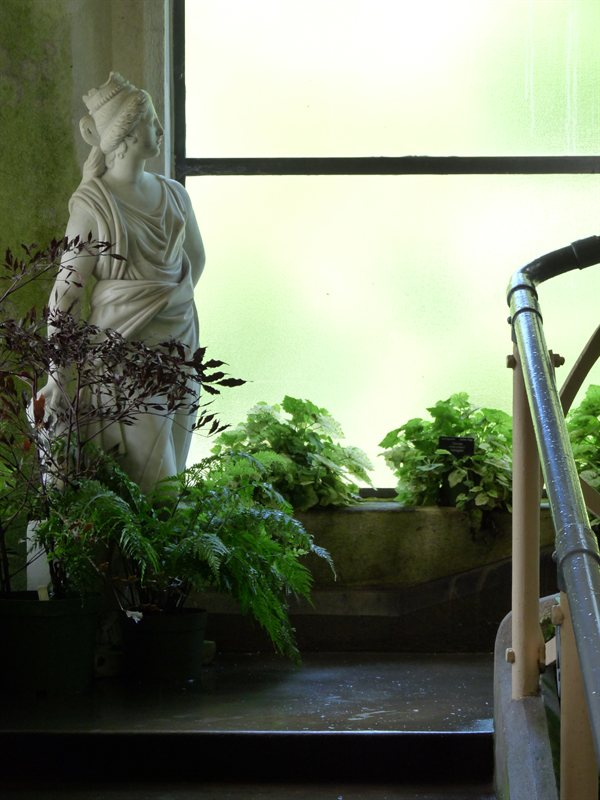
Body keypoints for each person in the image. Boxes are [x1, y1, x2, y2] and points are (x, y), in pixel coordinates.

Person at [39, 72, 205, 491]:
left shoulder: (175, 195)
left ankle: (149, 558)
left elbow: (197, 260)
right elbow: (65, 294)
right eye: (152, 121)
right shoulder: (93, 203)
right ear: (127, 134)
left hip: (181, 344)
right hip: (122, 356)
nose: (161, 130)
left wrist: (166, 305)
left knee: (174, 473)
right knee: (154, 480)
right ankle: (135, 558)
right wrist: (57, 373)